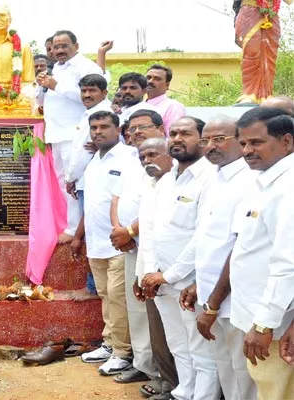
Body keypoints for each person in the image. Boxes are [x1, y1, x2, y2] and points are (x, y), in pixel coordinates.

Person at [173, 118, 258, 400]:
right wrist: (200, 285)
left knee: (243, 372)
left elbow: (238, 247)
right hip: (211, 294)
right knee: (225, 367)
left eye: (219, 139)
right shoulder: (214, 177)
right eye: (206, 141)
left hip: (234, 299)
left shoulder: (249, 181)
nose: (210, 146)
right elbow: (209, 240)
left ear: (240, 139)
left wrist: (214, 302)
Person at [142, 116, 220, 400]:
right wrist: (150, 272)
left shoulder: (210, 178)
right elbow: (152, 231)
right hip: (160, 280)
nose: (177, 138)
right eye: (173, 133)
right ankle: (185, 391)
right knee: (178, 344)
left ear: (201, 139)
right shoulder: (166, 180)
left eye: (185, 133)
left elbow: (203, 235)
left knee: (201, 348)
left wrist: (170, 274)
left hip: (190, 281)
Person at [228, 107, 294, 398]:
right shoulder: (267, 181)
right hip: (262, 316)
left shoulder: (287, 188)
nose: (246, 150)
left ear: (287, 142)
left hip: (273, 324)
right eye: (243, 143)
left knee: (276, 391)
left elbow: (287, 264)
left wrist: (264, 324)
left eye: (256, 142)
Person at [105, 111, 168, 386]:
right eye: (132, 129)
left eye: (143, 127)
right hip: (131, 247)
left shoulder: (168, 161)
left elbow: (159, 207)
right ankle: (143, 365)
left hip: (156, 248)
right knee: (138, 309)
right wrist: (120, 230)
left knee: (160, 315)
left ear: (161, 128)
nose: (136, 132)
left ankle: (163, 373)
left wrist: (130, 231)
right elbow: (117, 198)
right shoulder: (131, 160)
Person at [78, 111, 140, 376]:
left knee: (118, 298)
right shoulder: (94, 159)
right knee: (105, 295)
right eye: (94, 127)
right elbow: (91, 202)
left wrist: (124, 231)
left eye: (104, 126)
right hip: (96, 240)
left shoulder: (130, 158)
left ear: (119, 129)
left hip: (119, 241)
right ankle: (109, 342)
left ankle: (122, 352)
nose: (98, 131)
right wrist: (79, 236)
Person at [37, 30, 105, 245]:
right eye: (55, 47)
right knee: (62, 182)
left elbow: (90, 95)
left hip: (74, 133)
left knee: (73, 182)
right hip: (56, 134)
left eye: (64, 46)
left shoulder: (86, 67)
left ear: (76, 46)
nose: (59, 50)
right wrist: (42, 89)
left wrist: (54, 85)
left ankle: (75, 228)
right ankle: (71, 223)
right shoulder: (55, 67)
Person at [133, 138, 180, 399]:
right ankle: (170, 384)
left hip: (173, 276)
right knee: (162, 338)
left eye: (153, 154)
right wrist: (140, 276)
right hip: (150, 275)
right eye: (143, 157)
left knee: (184, 342)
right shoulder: (149, 185)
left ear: (169, 156)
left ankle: (182, 389)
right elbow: (148, 238)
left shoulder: (176, 185)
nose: (148, 161)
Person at [62, 73, 110, 301]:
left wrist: (70, 178)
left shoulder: (104, 116)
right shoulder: (88, 115)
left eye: (92, 91)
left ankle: (93, 288)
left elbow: (82, 154)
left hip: (92, 182)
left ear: (104, 93)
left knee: (93, 233)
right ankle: (95, 286)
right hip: (85, 180)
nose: (87, 95)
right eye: (84, 91)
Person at [234, 0, 292, 103]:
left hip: (271, 15)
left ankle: (266, 94)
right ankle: (249, 93)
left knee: (269, 56)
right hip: (250, 12)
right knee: (252, 53)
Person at [145, 64, 185, 134]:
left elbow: (173, 137)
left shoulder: (173, 107)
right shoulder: (139, 106)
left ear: (167, 85)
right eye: (148, 78)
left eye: (157, 79)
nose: (150, 81)